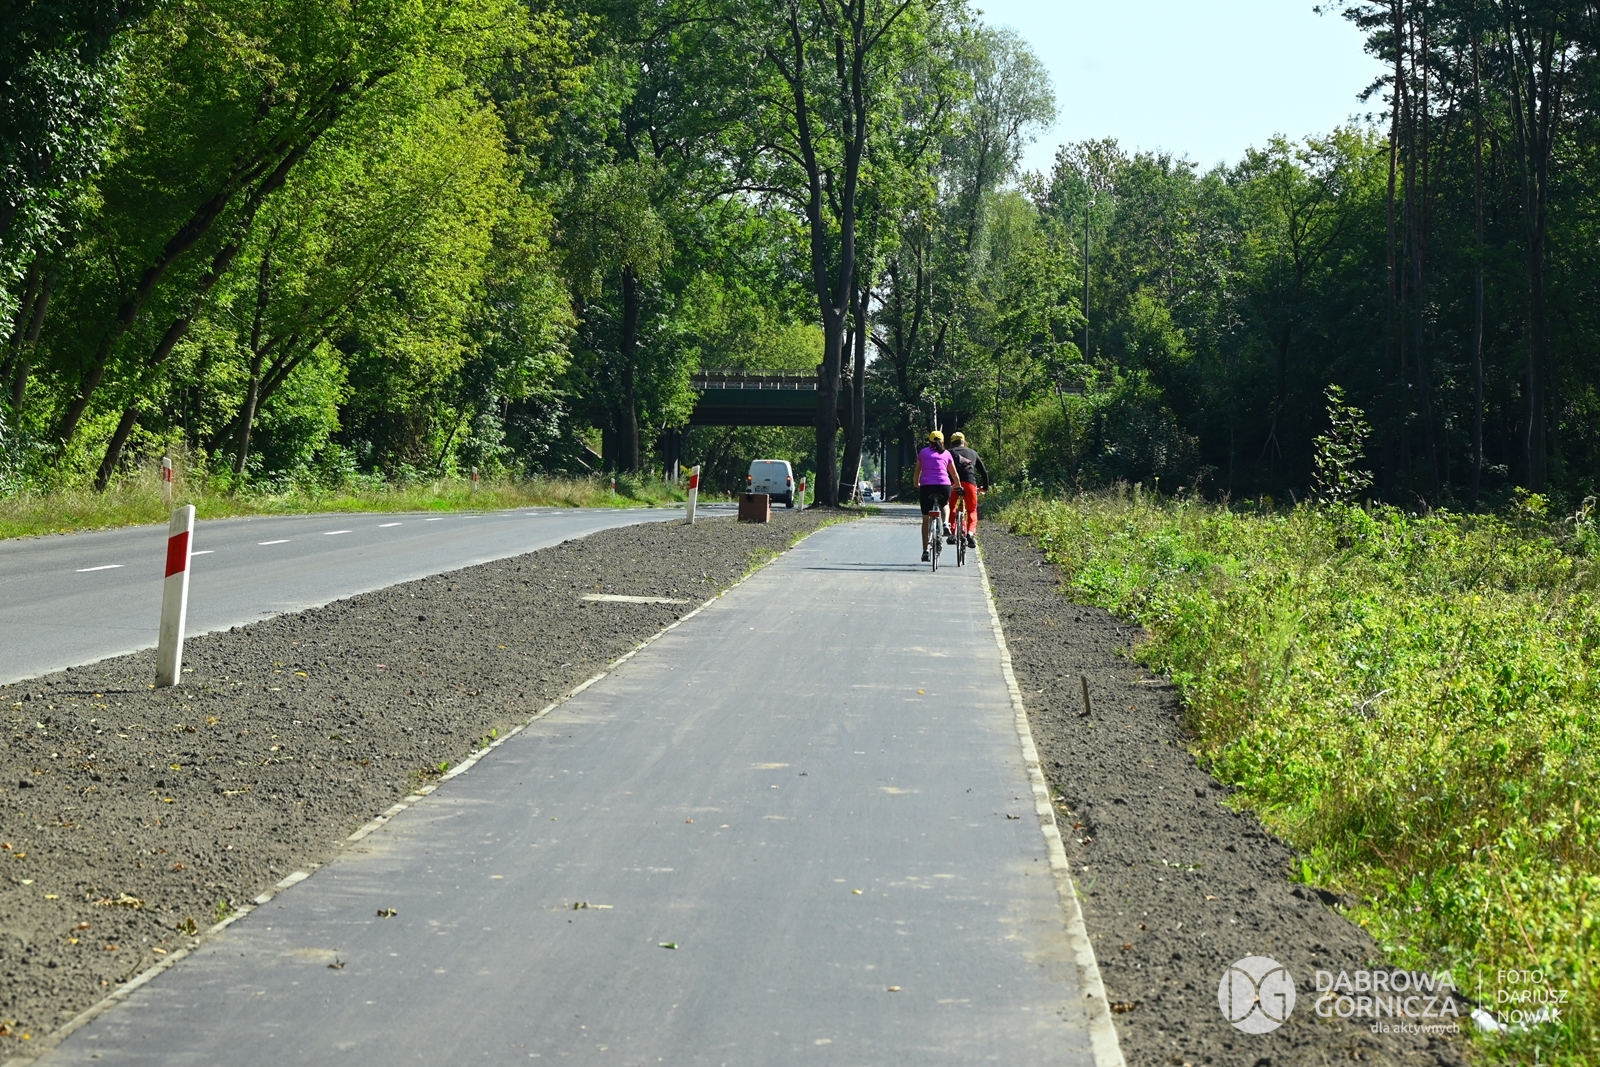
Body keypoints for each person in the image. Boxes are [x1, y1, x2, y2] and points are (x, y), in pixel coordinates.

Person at [916, 430, 959, 562]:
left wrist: (917, 484)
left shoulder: (923, 452)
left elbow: (917, 472)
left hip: (926, 487)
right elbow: (954, 473)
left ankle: (925, 551)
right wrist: (957, 485)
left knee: (925, 519)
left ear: (929, 442)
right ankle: (945, 523)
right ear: (943, 442)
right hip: (943, 486)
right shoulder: (947, 453)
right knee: (945, 504)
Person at [945, 431, 988, 548]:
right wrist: (985, 487)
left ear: (952, 443)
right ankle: (970, 533)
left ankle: (952, 534)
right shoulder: (973, 452)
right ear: (964, 442)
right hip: (970, 484)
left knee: (951, 507)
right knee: (972, 509)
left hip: (954, 484)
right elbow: (983, 472)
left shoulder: (949, 452)